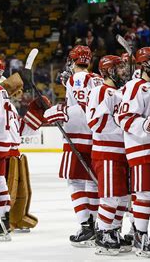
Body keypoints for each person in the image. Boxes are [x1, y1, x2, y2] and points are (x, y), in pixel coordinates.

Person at [43, 45, 103, 247]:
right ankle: (96, 225)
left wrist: (62, 109)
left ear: (72, 60)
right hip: (95, 136)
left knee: (75, 182)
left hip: (77, 135)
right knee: (92, 182)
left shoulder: (75, 79)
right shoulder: (97, 78)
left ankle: (86, 226)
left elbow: (77, 106)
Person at [117, 47, 150, 258]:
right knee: (144, 195)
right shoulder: (134, 87)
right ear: (145, 64)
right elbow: (124, 117)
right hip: (142, 149)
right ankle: (139, 236)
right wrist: (147, 126)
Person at [0, 58, 47, 241]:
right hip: (6, 151)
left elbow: (16, 128)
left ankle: (5, 220)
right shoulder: (8, 105)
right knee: (3, 186)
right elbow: (20, 130)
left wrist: (36, 112)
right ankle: (6, 220)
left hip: (3, 151)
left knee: (13, 189)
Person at [86, 55, 130, 255]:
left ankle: (113, 230)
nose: (123, 71)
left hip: (122, 152)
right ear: (109, 71)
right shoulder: (100, 91)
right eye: (119, 68)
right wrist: (123, 126)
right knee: (111, 197)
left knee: (123, 198)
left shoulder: (119, 92)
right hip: (107, 152)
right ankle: (102, 232)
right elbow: (95, 122)